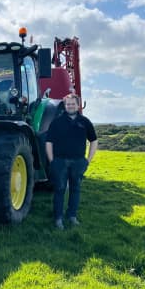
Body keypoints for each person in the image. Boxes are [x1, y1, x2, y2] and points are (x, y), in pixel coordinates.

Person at [45, 93, 98, 230]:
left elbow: (94, 140)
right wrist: (52, 161)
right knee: (60, 189)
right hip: (60, 162)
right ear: (65, 105)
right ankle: (58, 218)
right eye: (68, 104)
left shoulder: (85, 122)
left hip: (78, 162)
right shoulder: (57, 122)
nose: (70, 106)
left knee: (75, 189)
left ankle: (72, 216)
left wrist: (88, 160)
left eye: (73, 104)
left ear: (78, 105)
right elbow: (49, 142)